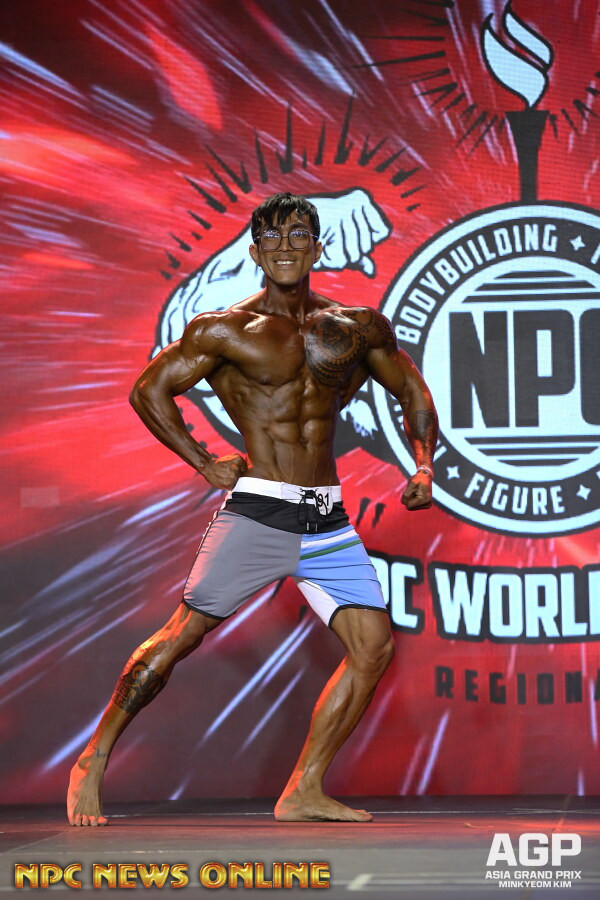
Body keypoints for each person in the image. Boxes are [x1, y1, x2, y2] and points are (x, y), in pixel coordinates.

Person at [67, 191, 438, 826]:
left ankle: (303, 789)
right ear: (256, 252)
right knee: (182, 636)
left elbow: (412, 389)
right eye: (272, 238)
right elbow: (148, 389)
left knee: (373, 647)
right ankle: (93, 757)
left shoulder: (355, 327)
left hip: (327, 521)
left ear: (318, 248)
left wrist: (423, 464)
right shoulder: (224, 329)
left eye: (298, 236)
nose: (285, 247)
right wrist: (203, 461)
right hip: (260, 513)